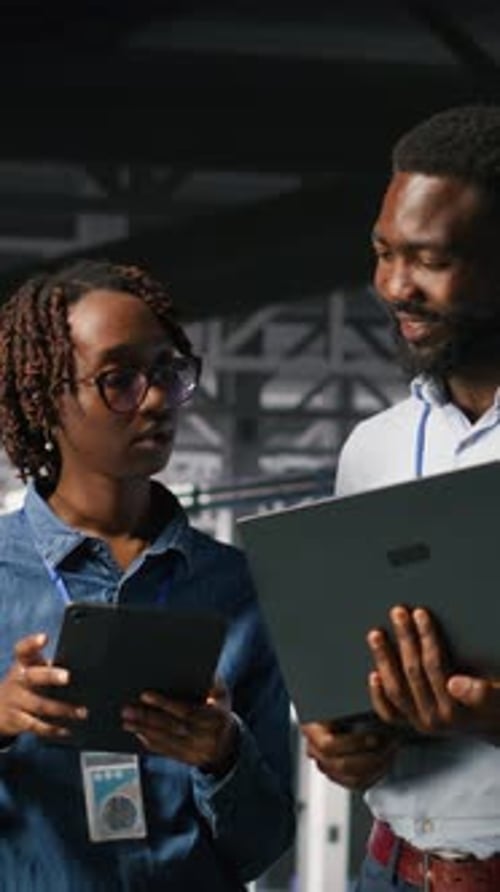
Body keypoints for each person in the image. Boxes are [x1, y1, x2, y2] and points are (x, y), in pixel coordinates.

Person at [0, 259, 295, 891]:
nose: (158, 398)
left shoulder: (239, 588)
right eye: (120, 379)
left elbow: (264, 844)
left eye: (167, 370)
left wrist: (222, 756)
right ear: (46, 397)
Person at [302, 104, 500, 891]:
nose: (394, 286)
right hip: (389, 871)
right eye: (384, 253)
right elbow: (346, 667)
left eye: (429, 259)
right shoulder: (371, 449)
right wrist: (339, 740)